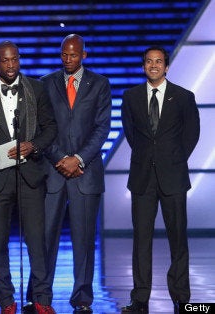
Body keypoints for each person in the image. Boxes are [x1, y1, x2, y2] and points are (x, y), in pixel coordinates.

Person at [0, 41, 57, 314]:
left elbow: (50, 128)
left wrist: (34, 145)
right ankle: (6, 301)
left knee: (37, 242)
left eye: (14, 60)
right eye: (5, 61)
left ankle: (42, 299)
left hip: (30, 175)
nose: (10, 65)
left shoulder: (36, 89)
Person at [28, 34, 112, 313]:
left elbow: (102, 128)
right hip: (52, 171)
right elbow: (40, 128)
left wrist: (78, 159)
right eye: (64, 54)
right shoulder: (45, 83)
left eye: (73, 55)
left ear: (84, 56)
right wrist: (60, 158)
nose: (68, 59)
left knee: (84, 239)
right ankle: (40, 296)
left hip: (85, 174)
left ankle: (82, 299)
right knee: (44, 238)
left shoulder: (100, 84)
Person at [120, 46, 199, 313]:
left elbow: (191, 134)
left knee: (178, 237)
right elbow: (131, 134)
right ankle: (140, 298)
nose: (154, 65)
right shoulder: (130, 97)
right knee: (141, 239)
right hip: (142, 177)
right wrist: (149, 157)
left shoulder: (184, 97)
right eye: (149, 62)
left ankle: (181, 297)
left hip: (173, 176)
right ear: (144, 66)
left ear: (166, 66)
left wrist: (172, 159)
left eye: (159, 61)